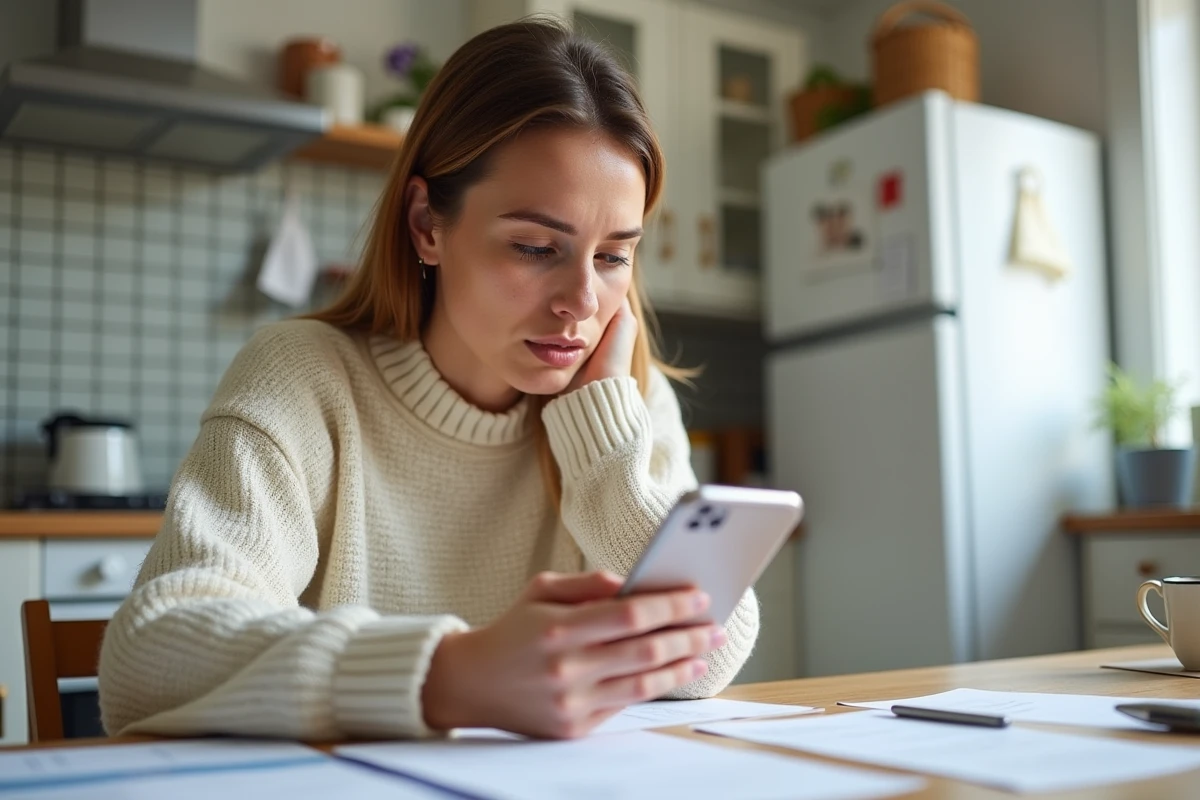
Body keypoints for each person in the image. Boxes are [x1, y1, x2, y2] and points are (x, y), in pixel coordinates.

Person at [98, 18, 759, 741]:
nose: (583, 303)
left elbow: (709, 652)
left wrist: (606, 457)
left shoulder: (622, 399)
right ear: (426, 224)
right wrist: (448, 674)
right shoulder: (306, 379)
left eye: (612, 257)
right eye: (537, 247)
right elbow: (147, 657)